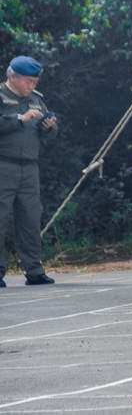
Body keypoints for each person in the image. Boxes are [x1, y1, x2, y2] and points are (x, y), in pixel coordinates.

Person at [0, 56, 58, 287]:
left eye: (35, 81)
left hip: (29, 167)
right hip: (3, 165)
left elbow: (47, 134)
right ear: (12, 76)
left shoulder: (36, 100)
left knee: (31, 218)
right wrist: (19, 119)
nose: (32, 86)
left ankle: (34, 269)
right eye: (28, 81)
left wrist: (49, 127)